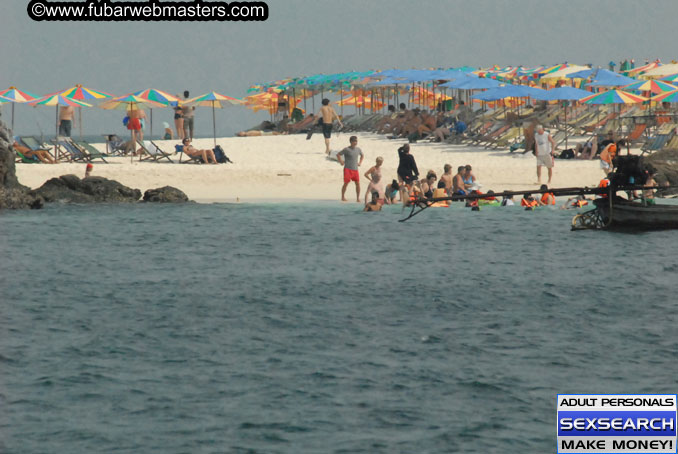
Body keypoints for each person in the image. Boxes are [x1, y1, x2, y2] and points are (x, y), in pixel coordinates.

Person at [336, 136, 364, 202]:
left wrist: (360, 162)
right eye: (354, 141)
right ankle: (343, 197)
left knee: (357, 183)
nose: (355, 142)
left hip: (355, 169)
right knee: (346, 183)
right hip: (347, 169)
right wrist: (341, 162)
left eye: (356, 141)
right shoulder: (346, 149)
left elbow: (362, 155)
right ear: (351, 142)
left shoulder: (358, 149)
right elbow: (338, 154)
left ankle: (358, 198)